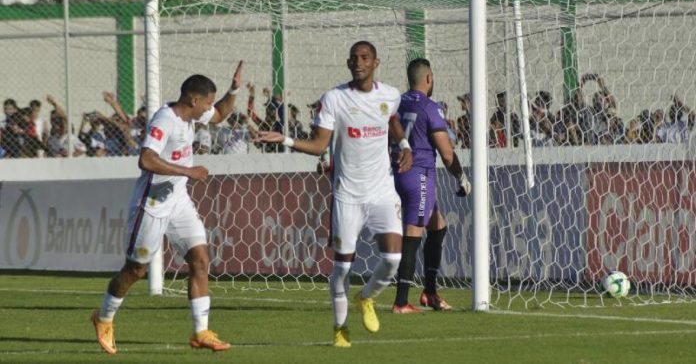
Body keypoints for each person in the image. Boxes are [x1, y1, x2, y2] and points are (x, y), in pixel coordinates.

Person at [257, 41, 413, 348]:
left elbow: (391, 119)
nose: (359, 63)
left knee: (393, 258)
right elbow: (318, 145)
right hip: (347, 195)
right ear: (348, 63)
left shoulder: (390, 95)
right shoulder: (334, 99)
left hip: (382, 190)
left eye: (365, 58)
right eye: (354, 58)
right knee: (342, 267)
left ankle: (366, 298)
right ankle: (340, 328)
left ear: (375, 63)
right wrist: (286, 139)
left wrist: (405, 145)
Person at [91, 61, 245, 355]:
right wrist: (187, 172)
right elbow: (146, 160)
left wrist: (234, 88)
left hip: (178, 201)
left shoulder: (193, 116)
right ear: (193, 99)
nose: (209, 108)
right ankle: (104, 318)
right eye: (207, 103)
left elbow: (222, 113)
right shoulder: (165, 120)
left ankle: (201, 332)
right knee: (136, 270)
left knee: (200, 259)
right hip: (151, 204)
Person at [390, 58, 471, 314]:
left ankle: (430, 292)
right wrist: (461, 177)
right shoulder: (430, 107)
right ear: (428, 78)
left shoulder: (396, 103)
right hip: (418, 174)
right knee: (413, 233)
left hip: (394, 171)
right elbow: (447, 153)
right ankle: (401, 301)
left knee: (438, 226)